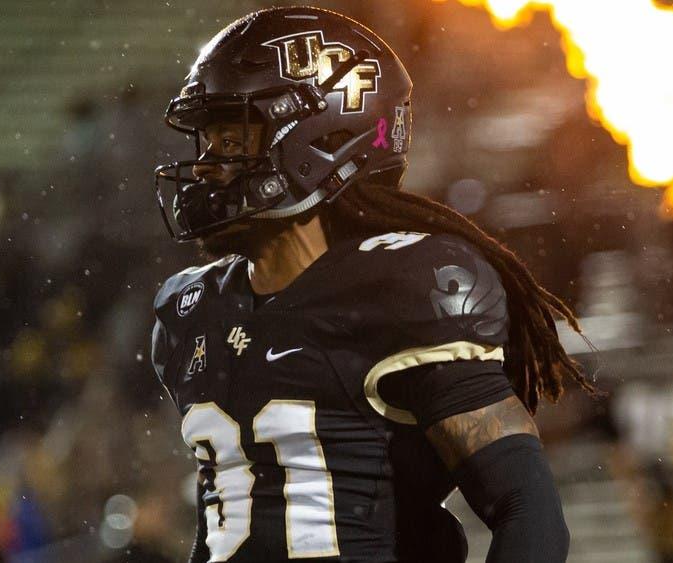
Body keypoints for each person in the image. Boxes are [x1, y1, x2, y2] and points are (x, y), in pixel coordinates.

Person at [149, 7, 595, 562]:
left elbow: (527, 508)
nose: (209, 166)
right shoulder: (192, 310)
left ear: (322, 136)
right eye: (207, 142)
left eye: (232, 140)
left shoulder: (402, 288)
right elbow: (228, 523)